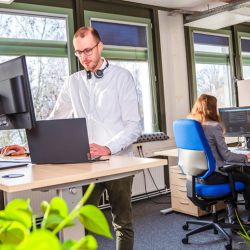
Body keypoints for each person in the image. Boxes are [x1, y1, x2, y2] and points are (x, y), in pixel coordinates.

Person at [2, 27, 141, 250]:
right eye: (79, 53)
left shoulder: (121, 77)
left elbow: (134, 126)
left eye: (88, 50)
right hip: (86, 163)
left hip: (118, 161)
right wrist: (29, 147)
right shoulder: (73, 82)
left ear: (100, 46)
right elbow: (54, 120)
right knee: (78, 221)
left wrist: (107, 147)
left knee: (122, 223)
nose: (84, 57)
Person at [188, 94, 250, 224]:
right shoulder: (214, 126)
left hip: (198, 177)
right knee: (246, 178)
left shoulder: (194, 126)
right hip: (214, 176)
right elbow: (226, 156)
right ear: (213, 108)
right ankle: (243, 219)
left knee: (234, 174)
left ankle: (234, 220)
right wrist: (245, 157)